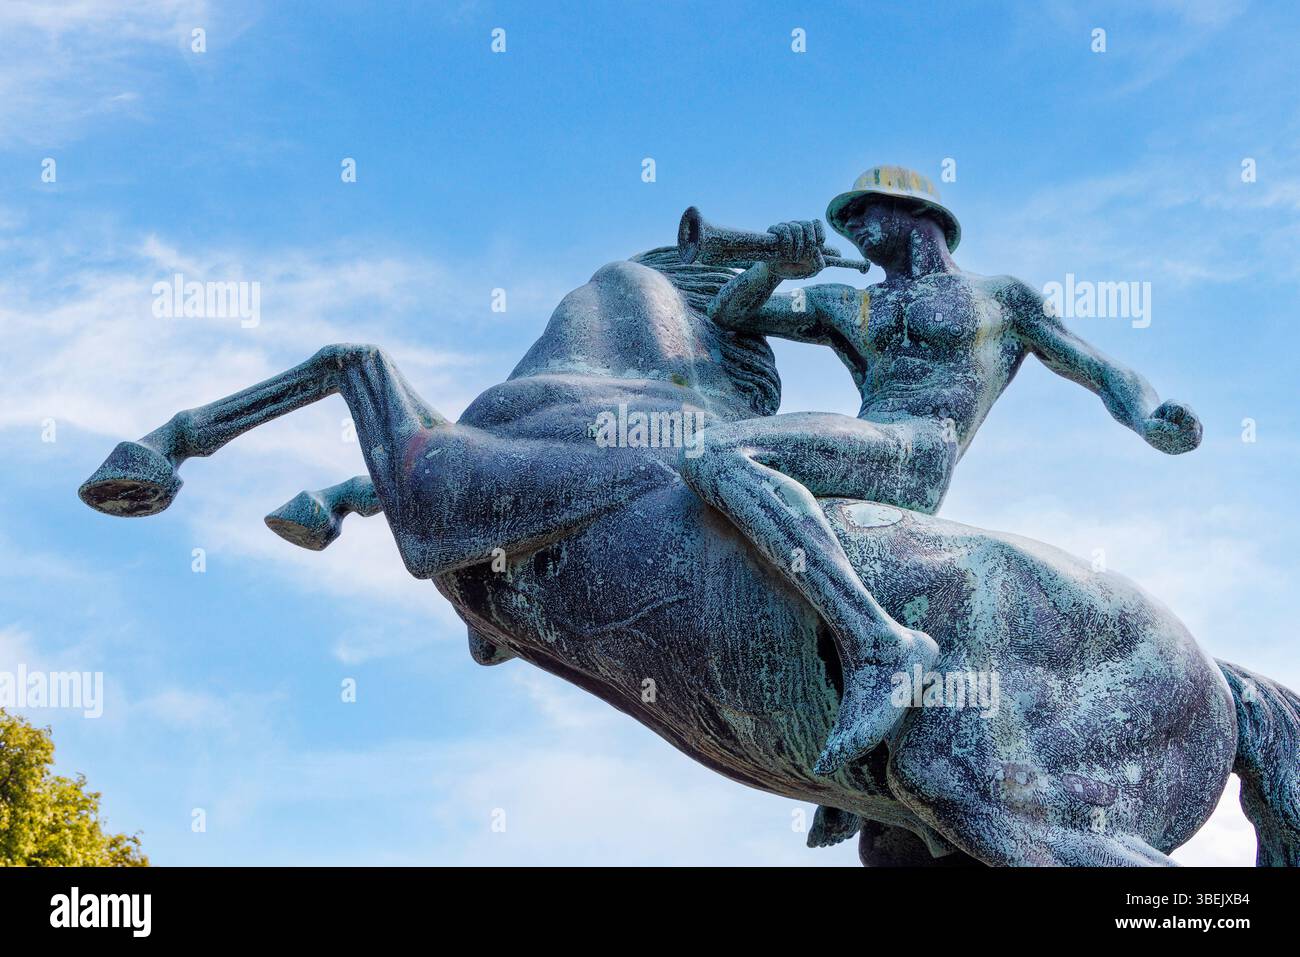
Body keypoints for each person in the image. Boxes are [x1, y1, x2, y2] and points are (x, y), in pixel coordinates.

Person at [680, 165, 1202, 773]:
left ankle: (880, 647)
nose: (851, 227)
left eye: (863, 211)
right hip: (868, 445)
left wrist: (1149, 418)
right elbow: (729, 312)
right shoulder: (844, 301)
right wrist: (774, 267)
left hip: (917, 451)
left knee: (714, 454)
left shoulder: (1000, 297)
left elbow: (1100, 368)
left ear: (915, 213)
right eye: (843, 220)